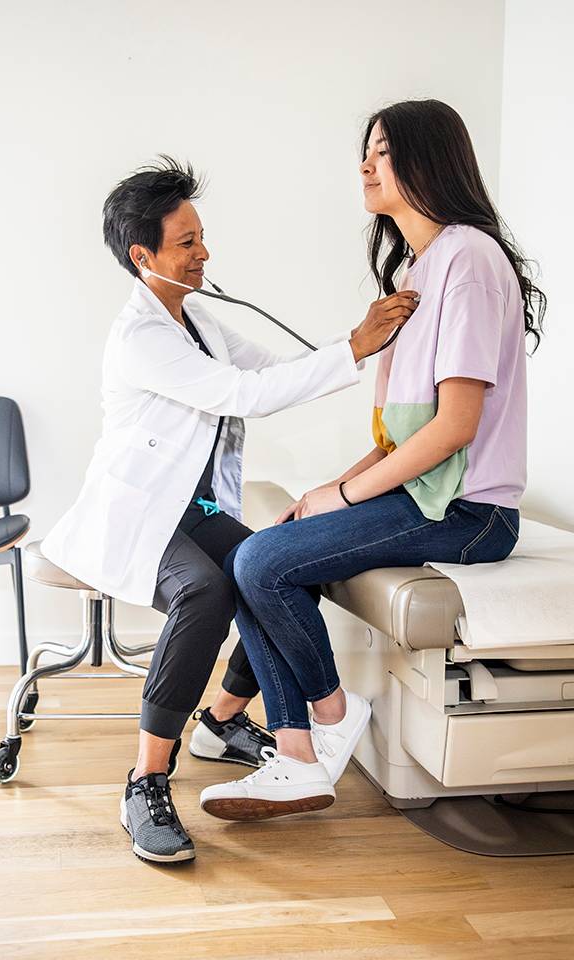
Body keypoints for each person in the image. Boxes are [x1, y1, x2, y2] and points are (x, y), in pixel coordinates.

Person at [40, 157, 415, 863]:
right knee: (206, 592)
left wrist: (368, 348)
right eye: (186, 242)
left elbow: (271, 372)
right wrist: (354, 346)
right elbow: (240, 395)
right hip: (139, 512)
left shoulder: (201, 321)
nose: (204, 251)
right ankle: (146, 782)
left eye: (201, 236)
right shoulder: (141, 337)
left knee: (279, 570)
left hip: (197, 506)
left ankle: (221, 722)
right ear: (142, 256)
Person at [200, 99, 547, 822]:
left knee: (262, 563)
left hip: (471, 513)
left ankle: (326, 719)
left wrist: (350, 499)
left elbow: (454, 428)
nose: (365, 164)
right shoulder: (420, 273)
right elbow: (400, 435)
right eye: (367, 150)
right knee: (257, 554)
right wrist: (333, 486)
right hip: (427, 497)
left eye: (382, 151)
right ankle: (295, 755)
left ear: (428, 160)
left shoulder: (471, 259)